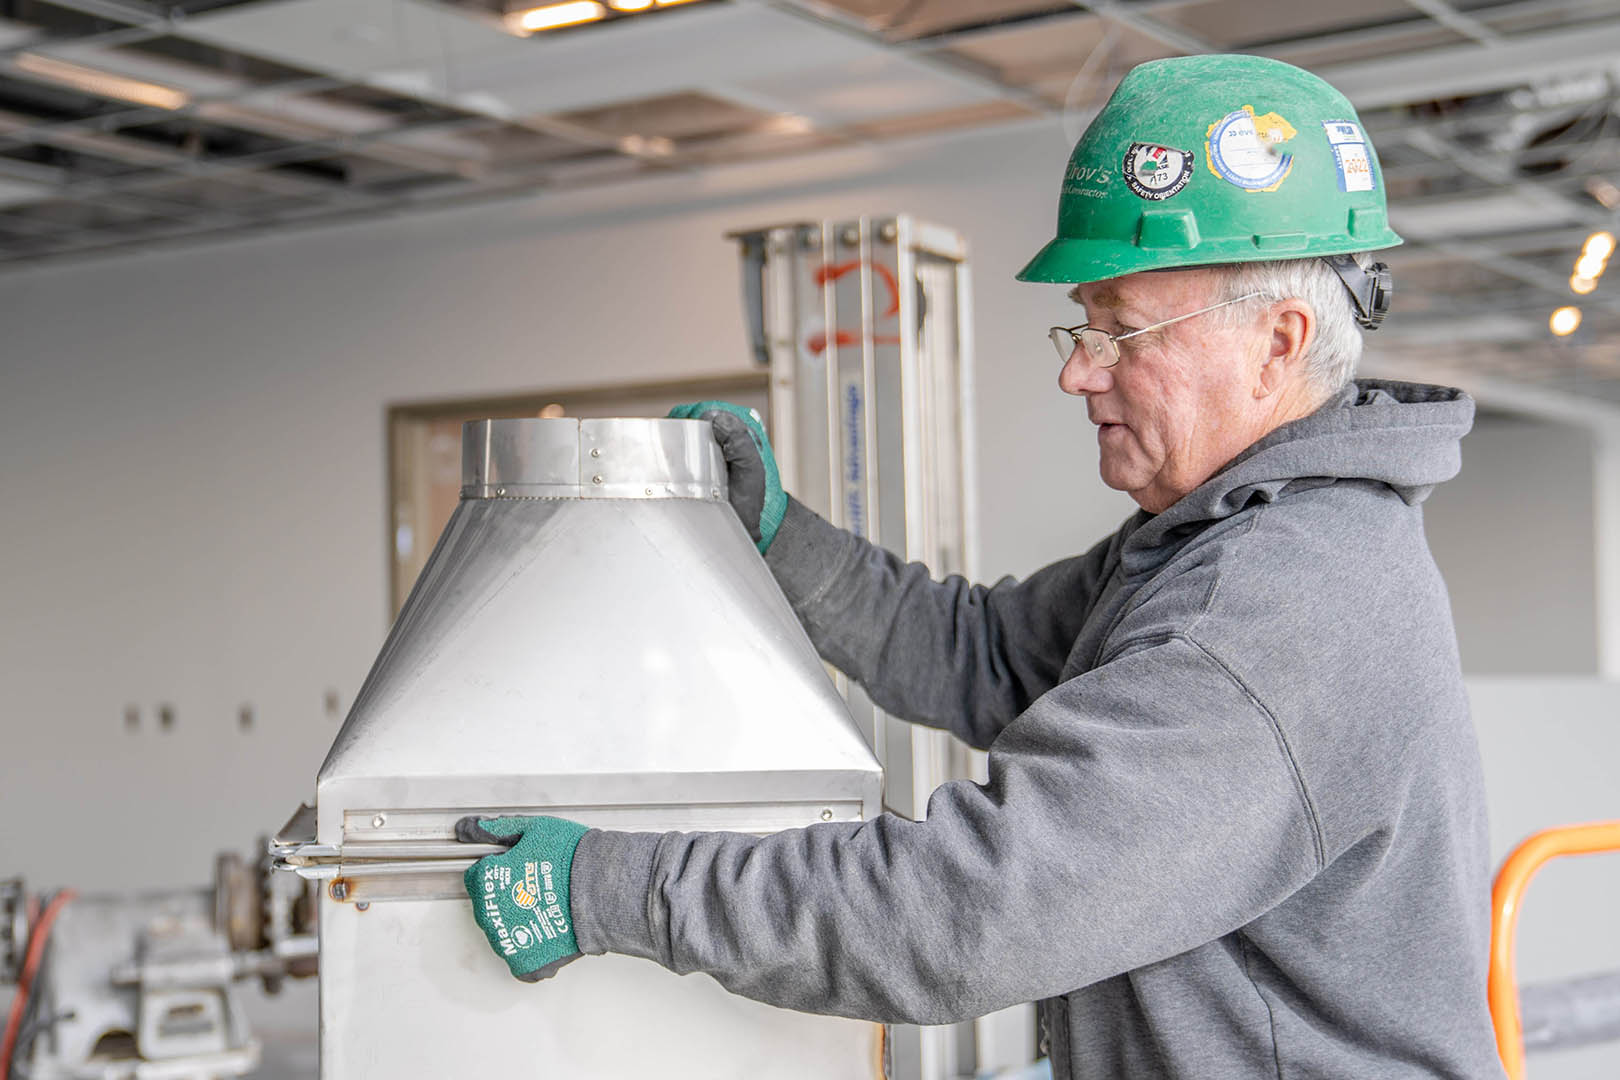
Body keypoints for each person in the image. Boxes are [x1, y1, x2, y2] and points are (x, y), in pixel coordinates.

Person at [457, 54, 1507, 1078]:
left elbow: (962, 913)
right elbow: (984, 653)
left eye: (1122, 333)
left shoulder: (1274, 608)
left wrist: (614, 888)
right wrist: (778, 534)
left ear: (1278, 343)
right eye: (1083, 325)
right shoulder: (1214, 541)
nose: (1075, 370)